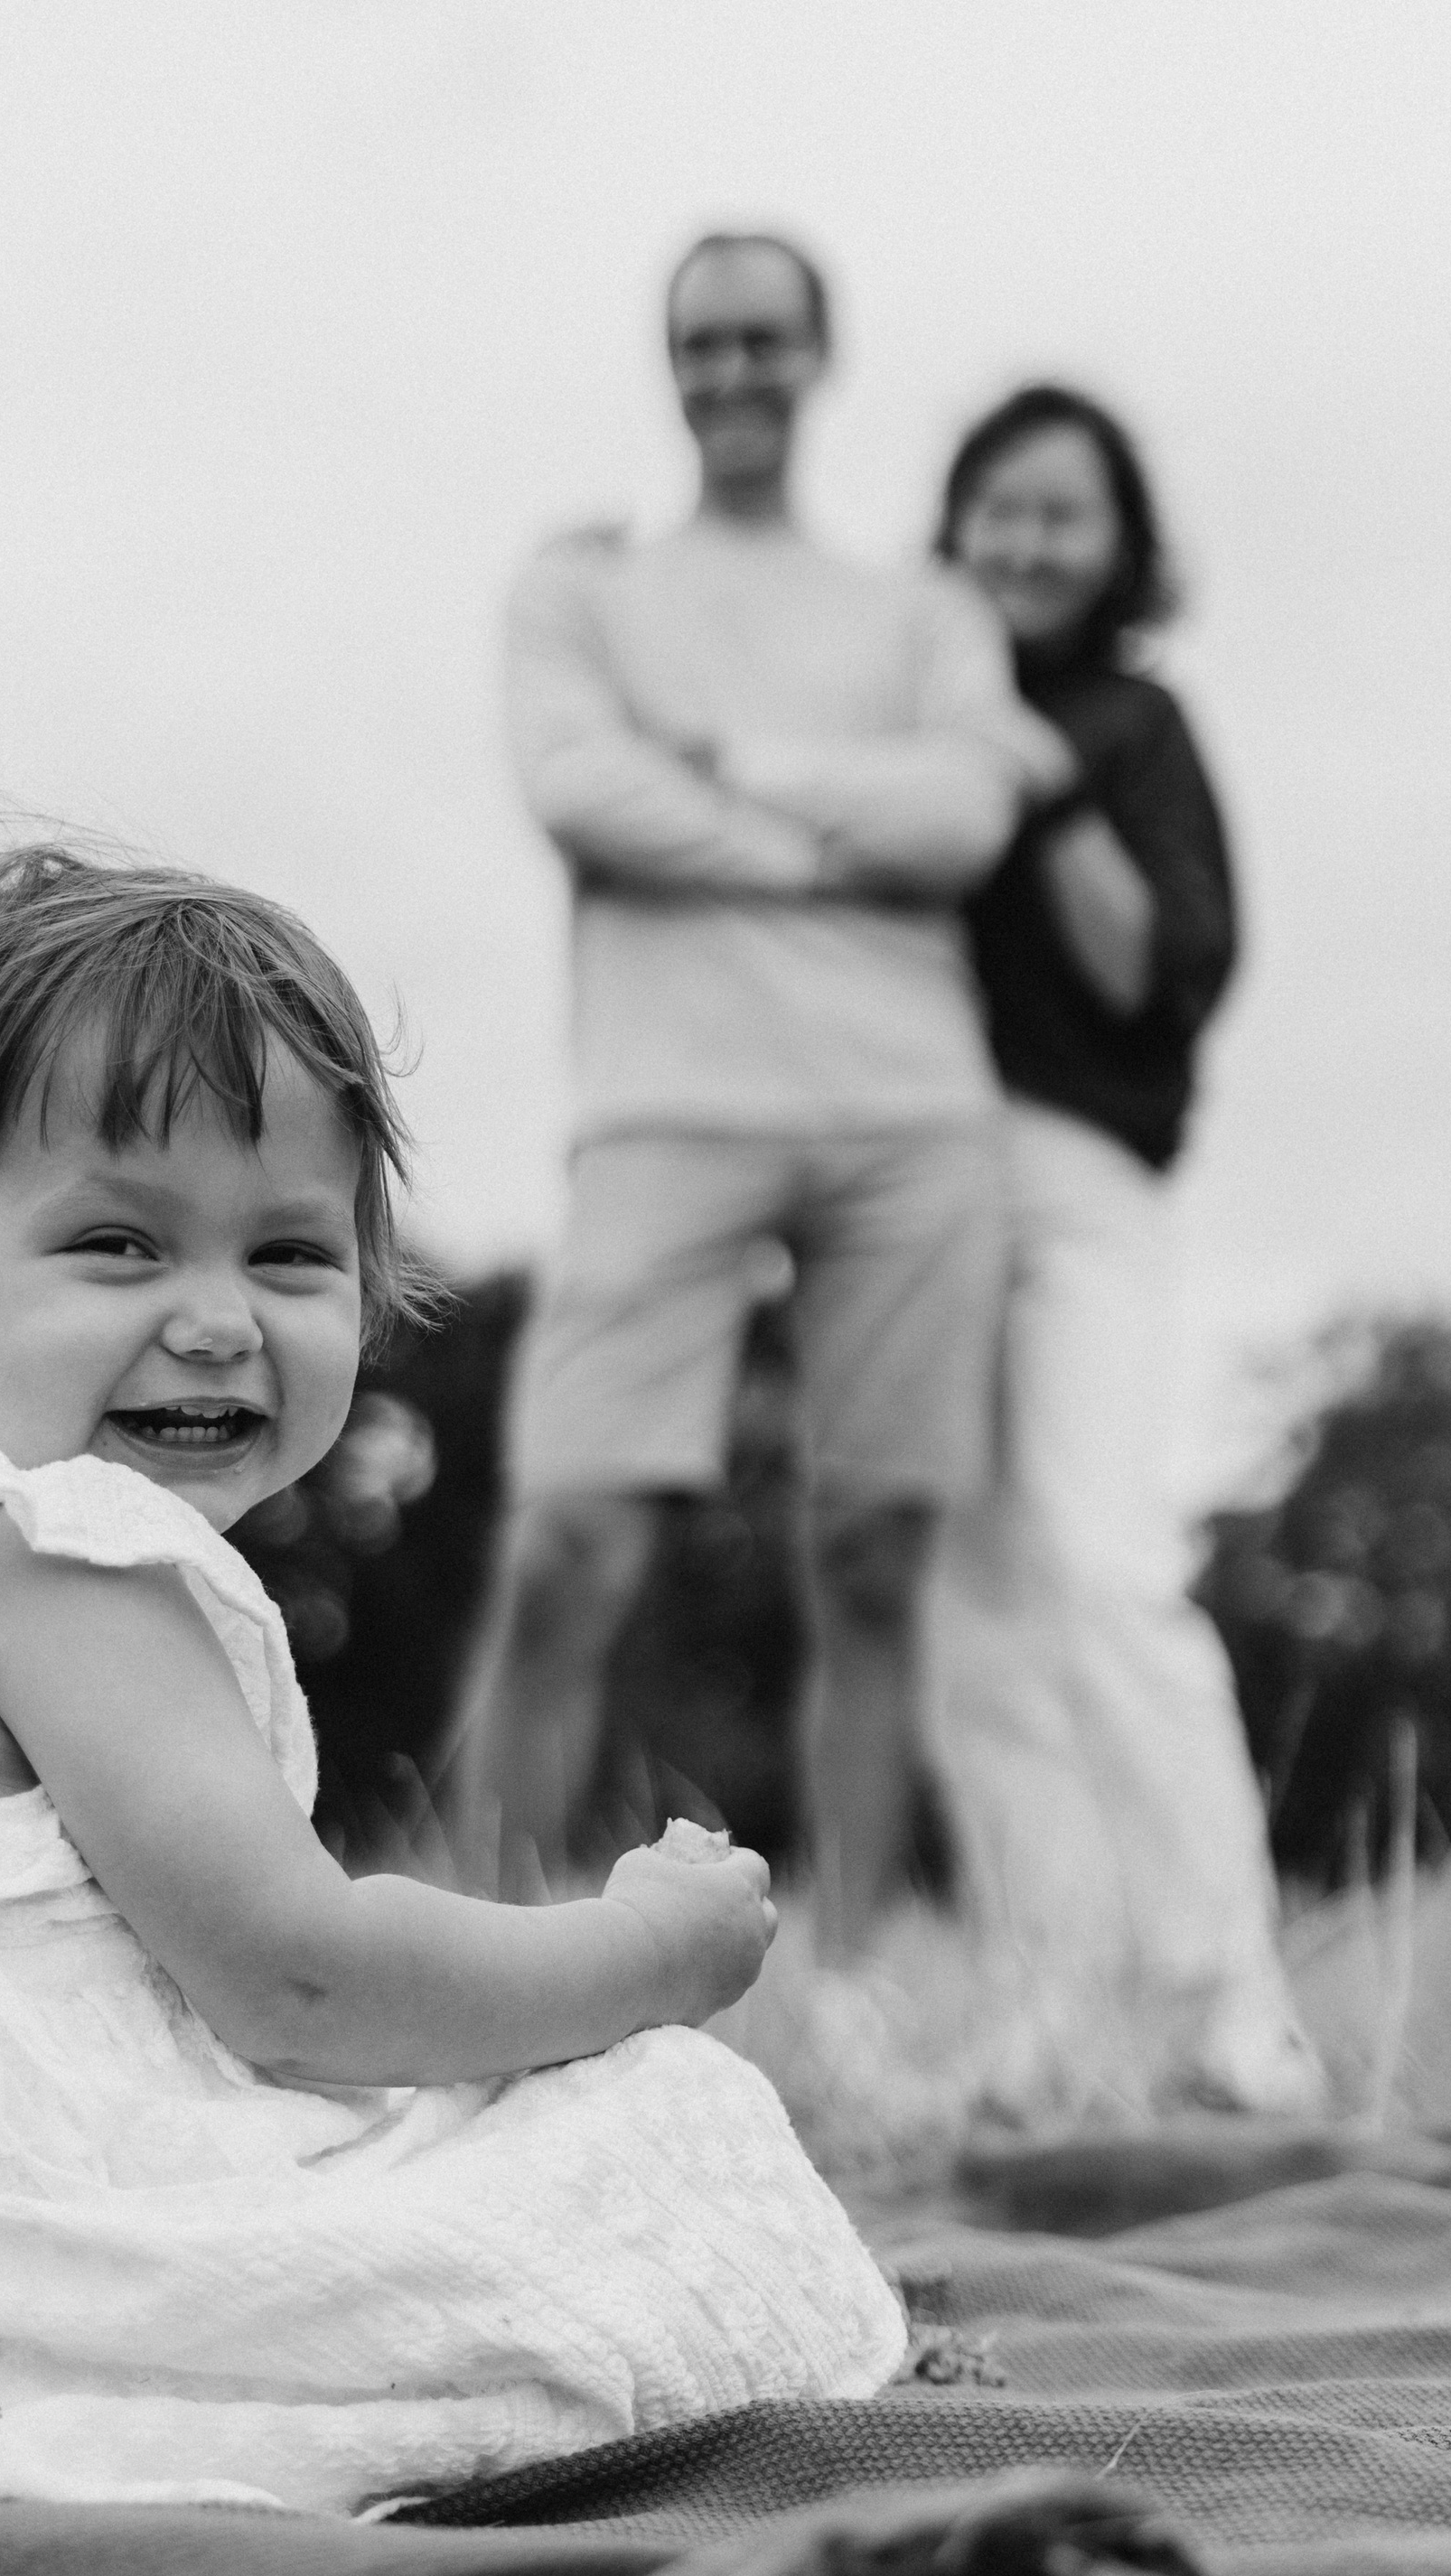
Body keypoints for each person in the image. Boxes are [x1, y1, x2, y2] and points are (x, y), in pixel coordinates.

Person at [0, 841, 906, 2516]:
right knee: (663, 2118)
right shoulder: (67, 1565)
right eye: (120, 1248)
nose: (218, 1320)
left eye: (289, 1256)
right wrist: (639, 1954)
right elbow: (301, 1989)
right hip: (12, 2272)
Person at [461, 232, 1066, 1952]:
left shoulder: (925, 610)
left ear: (820, 357)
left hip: (908, 1114)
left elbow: (966, 826)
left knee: (878, 1559)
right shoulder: (581, 589)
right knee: (568, 1544)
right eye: (701, 342)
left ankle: (859, 1969)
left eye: (763, 340)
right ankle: (467, 1963)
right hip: (663, 1103)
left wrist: (723, 775)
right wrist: (837, 847)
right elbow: (578, 792)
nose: (732, 371)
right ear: (669, 363)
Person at [922, 384, 1321, 2113]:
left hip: (1082, 1176)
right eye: (995, 506)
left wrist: (1038, 777)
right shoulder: (909, 715)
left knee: (1100, 1569)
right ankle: (1052, 2018)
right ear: (952, 529)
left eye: (1060, 511)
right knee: (969, 1615)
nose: (1024, 538)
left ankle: (1233, 2008)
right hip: (918, 1191)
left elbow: (1158, 970)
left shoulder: (1135, 723)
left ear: (1120, 544)